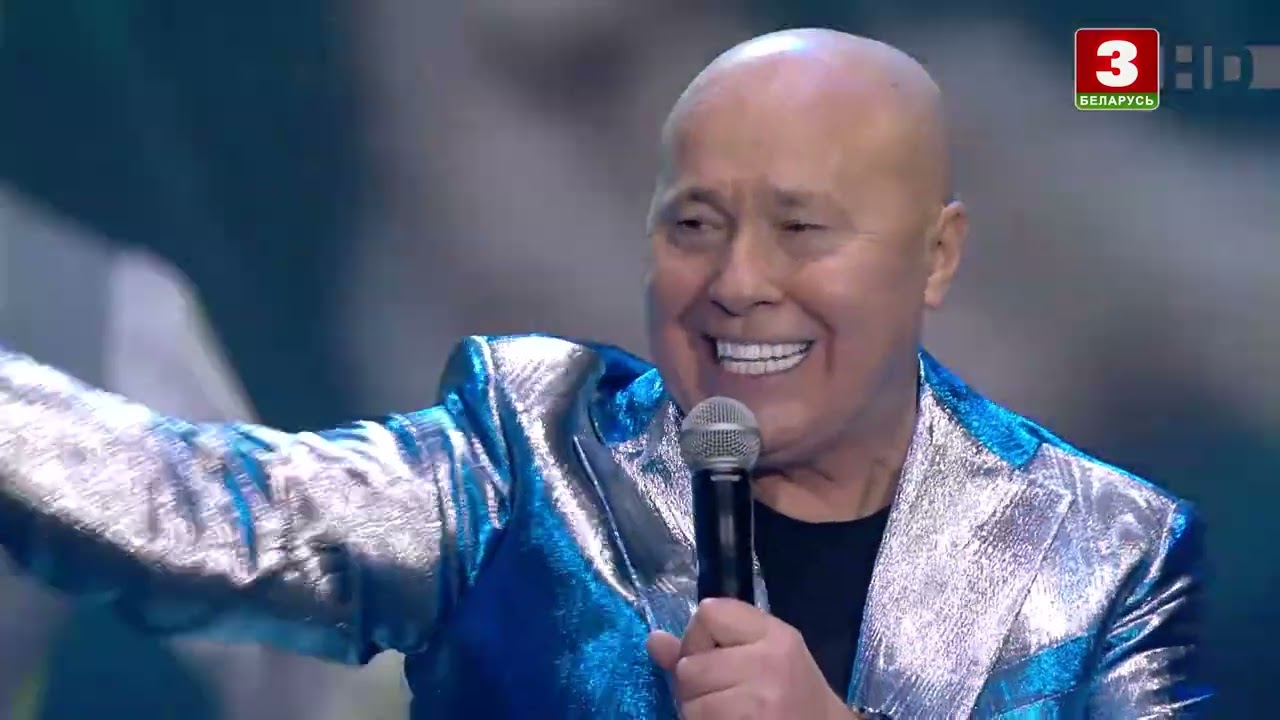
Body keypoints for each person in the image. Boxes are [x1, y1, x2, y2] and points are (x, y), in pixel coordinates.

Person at [0, 29, 1208, 719]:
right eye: (693, 227)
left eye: (800, 229)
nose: (737, 281)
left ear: (932, 256)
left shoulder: (1106, 556)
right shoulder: (521, 452)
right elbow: (201, 509)